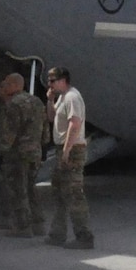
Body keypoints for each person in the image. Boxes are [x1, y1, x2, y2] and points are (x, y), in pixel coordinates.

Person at [0, 72, 46, 237]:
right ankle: (39, 224)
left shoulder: (13, 104)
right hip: (34, 151)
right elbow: (45, 129)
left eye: (7, 83)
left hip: (17, 154)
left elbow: (8, 133)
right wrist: (43, 146)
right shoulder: (37, 102)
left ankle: (23, 227)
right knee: (31, 188)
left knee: (17, 190)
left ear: (16, 85)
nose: (5, 86)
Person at [45, 67, 93, 249]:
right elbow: (51, 117)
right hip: (63, 148)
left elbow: (75, 124)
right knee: (59, 191)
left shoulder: (72, 97)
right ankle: (57, 233)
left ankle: (84, 236)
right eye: (49, 81)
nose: (50, 84)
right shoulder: (61, 98)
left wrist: (66, 150)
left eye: (53, 80)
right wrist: (50, 100)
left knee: (73, 193)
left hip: (72, 149)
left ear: (63, 80)